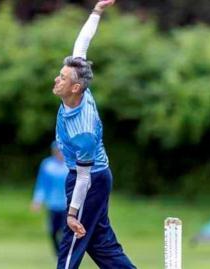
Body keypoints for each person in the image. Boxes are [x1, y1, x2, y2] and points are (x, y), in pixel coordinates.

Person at [52, 1, 137, 268]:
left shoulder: (84, 130)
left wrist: (73, 212)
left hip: (90, 179)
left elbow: (84, 178)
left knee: (72, 239)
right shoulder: (79, 90)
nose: (57, 79)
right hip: (83, 175)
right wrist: (96, 12)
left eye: (63, 78)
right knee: (101, 245)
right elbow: (82, 43)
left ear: (75, 87)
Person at [31, 141, 69, 256]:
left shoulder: (70, 164)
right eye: (57, 151)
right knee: (53, 231)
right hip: (52, 203)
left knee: (65, 231)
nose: (59, 153)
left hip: (67, 204)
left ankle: (65, 253)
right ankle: (58, 252)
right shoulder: (47, 165)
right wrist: (37, 200)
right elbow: (42, 184)